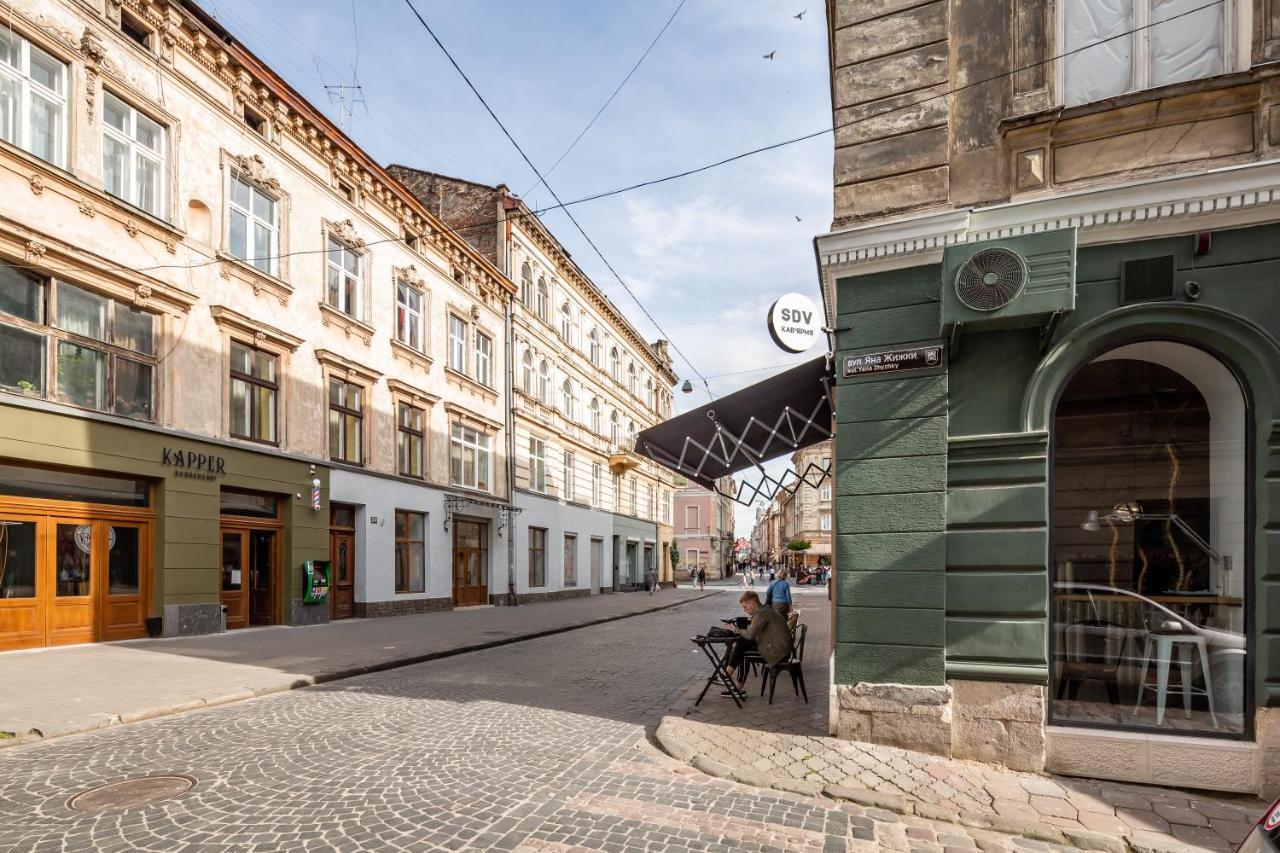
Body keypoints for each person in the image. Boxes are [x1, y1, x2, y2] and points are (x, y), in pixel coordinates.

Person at [721, 590, 793, 698]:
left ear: (753, 604)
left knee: (743, 649)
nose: (744, 610)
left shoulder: (761, 613)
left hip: (778, 653)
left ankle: (730, 679)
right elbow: (753, 633)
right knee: (742, 645)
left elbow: (750, 635)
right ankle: (731, 679)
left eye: (745, 607)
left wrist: (734, 629)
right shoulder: (764, 610)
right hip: (780, 648)